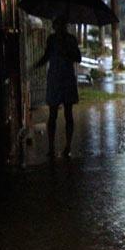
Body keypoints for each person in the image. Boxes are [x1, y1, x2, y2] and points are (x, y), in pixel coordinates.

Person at [34, 17, 82, 158]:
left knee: (68, 113)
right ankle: (51, 147)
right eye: (56, 24)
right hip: (55, 79)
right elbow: (47, 55)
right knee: (53, 114)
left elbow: (78, 58)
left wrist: (67, 51)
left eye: (60, 24)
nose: (57, 27)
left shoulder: (71, 40)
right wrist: (37, 64)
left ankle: (67, 146)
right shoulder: (52, 39)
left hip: (66, 79)